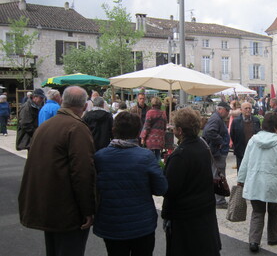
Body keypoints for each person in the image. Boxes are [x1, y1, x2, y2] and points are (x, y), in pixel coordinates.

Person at [18, 86, 96, 256]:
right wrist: (88, 209)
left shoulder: (44, 127)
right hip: (67, 209)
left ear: (62, 102)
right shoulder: (77, 128)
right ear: (84, 107)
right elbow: (82, 173)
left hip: (47, 204)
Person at [93, 111, 168, 256]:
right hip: (142, 224)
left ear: (114, 130)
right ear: (138, 131)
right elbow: (161, 188)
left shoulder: (100, 157)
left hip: (111, 223)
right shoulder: (146, 157)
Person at [162, 107, 221, 256]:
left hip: (185, 218)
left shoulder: (180, 155)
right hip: (204, 213)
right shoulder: (203, 146)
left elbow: (169, 189)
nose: (173, 130)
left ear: (180, 130)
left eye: (174, 127)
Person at [237, 113, 277, 252]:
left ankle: (254, 241)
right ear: (276, 127)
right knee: (274, 211)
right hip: (274, 183)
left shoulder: (253, 140)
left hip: (255, 182)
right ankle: (272, 237)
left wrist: (241, 180)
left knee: (257, 212)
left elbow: (245, 162)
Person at [203, 101, 231, 208]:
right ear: (220, 109)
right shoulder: (216, 119)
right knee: (218, 176)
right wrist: (220, 141)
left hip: (216, 151)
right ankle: (219, 201)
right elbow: (209, 132)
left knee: (216, 174)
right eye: (226, 110)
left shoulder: (217, 118)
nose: (228, 112)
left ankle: (217, 199)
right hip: (217, 152)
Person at [230, 101, 261, 171]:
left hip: (253, 151)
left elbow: (259, 133)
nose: (248, 110)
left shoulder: (256, 121)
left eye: (249, 108)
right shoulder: (236, 121)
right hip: (241, 151)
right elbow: (232, 135)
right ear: (241, 110)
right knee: (241, 171)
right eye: (246, 108)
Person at [140, 97, 167, 161]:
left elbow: (146, 126)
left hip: (151, 139)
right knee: (158, 155)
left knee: (150, 156)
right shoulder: (163, 113)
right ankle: (159, 168)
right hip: (160, 139)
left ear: (152, 104)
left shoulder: (150, 112)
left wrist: (143, 137)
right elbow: (164, 127)